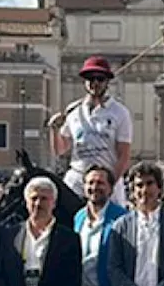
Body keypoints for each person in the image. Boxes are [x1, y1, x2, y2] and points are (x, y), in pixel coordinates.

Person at [47, 56, 132, 204]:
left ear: (107, 82)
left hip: (106, 181)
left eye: (100, 79)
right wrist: (54, 130)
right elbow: (60, 150)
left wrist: (110, 183)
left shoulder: (120, 112)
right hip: (77, 182)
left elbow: (124, 156)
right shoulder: (73, 111)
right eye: (90, 78)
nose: (95, 83)